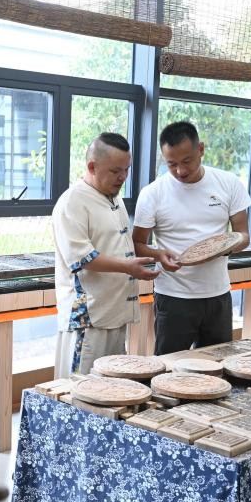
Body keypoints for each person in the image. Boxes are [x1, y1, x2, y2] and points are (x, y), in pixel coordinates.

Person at [133, 121, 251, 355]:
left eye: (186, 161)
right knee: (169, 366)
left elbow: (244, 235)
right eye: (171, 164)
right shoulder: (152, 194)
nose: (180, 171)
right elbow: (137, 244)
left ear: (201, 149)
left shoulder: (228, 183)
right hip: (173, 297)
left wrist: (222, 247)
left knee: (218, 362)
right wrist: (158, 255)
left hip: (218, 294)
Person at [52, 132, 160, 378]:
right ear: (92, 166)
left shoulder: (113, 198)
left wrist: (155, 255)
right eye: (115, 171)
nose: (123, 177)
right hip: (88, 319)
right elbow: (82, 258)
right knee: (81, 388)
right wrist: (128, 267)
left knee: (112, 385)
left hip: (115, 312)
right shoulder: (73, 202)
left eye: (126, 169)